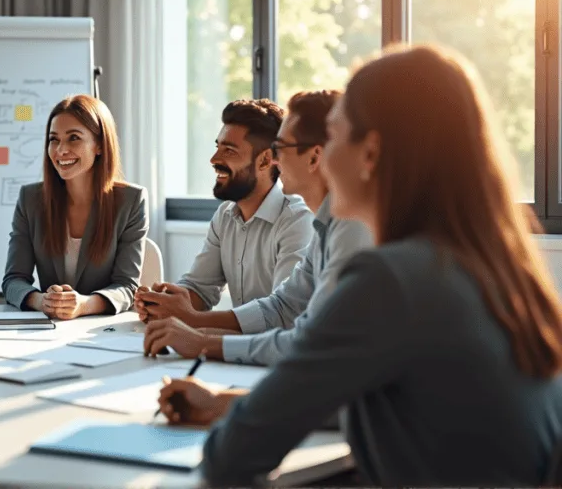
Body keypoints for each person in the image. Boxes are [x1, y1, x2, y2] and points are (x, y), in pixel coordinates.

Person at [157, 45, 562, 486]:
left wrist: (230, 401)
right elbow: (369, 396)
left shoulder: (390, 278)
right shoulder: (493, 265)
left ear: (369, 153)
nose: (324, 159)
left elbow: (229, 459)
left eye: (334, 136)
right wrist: (225, 402)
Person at [143, 91, 373, 366]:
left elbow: (307, 337)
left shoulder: (349, 228)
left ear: (314, 158)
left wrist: (203, 340)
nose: (275, 160)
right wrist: (184, 318)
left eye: (281, 149)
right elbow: (284, 307)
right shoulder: (326, 225)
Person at [135, 99, 313, 319]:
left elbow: (283, 314)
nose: (214, 159)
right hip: (243, 348)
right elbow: (200, 289)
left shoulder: (297, 219)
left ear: (265, 160)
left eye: (229, 151)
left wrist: (195, 322)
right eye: (217, 147)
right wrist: (166, 302)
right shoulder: (225, 215)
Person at [2, 95, 148, 319]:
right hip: (48, 330)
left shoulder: (131, 201)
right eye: (54, 139)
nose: (61, 150)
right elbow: (13, 280)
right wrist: (41, 301)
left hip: (99, 332)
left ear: (99, 145)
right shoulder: (30, 199)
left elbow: (126, 286)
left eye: (74, 138)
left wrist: (84, 305)